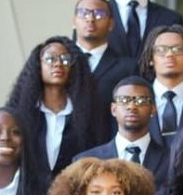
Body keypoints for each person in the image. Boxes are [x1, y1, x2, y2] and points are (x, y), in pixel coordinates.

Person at [6, 36, 109, 182]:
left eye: (65, 60)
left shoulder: (88, 116)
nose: (58, 64)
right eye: (51, 59)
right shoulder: (21, 114)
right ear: (38, 65)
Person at [74, 75, 171, 186]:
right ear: (113, 109)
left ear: (153, 109)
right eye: (124, 100)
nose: (132, 106)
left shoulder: (171, 160)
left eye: (141, 100)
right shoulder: (85, 161)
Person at [72, 0, 138, 124]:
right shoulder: (61, 62)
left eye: (98, 14)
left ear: (111, 24)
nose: (90, 18)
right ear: (73, 21)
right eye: (83, 12)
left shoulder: (128, 67)